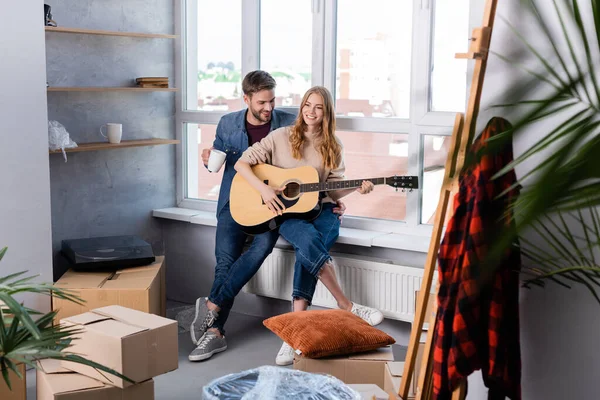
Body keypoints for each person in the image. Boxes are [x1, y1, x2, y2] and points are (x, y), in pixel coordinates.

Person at [188, 71, 346, 362]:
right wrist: (207, 158)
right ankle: (216, 332)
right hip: (234, 202)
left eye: (272, 100)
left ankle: (212, 307)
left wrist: (328, 197)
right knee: (225, 262)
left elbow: (306, 162)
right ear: (246, 98)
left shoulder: (288, 122)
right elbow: (219, 164)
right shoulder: (227, 123)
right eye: (262, 102)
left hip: (272, 207)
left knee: (260, 249)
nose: (269, 108)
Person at [234, 86, 384, 366]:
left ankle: (291, 337)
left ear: (326, 113)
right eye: (307, 105)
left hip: (323, 209)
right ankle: (346, 305)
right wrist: (265, 191)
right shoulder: (280, 137)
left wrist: (355, 190)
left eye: (318, 107)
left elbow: (334, 191)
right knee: (307, 242)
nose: (311, 112)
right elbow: (242, 164)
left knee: (308, 248)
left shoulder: (333, 146)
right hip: (285, 212)